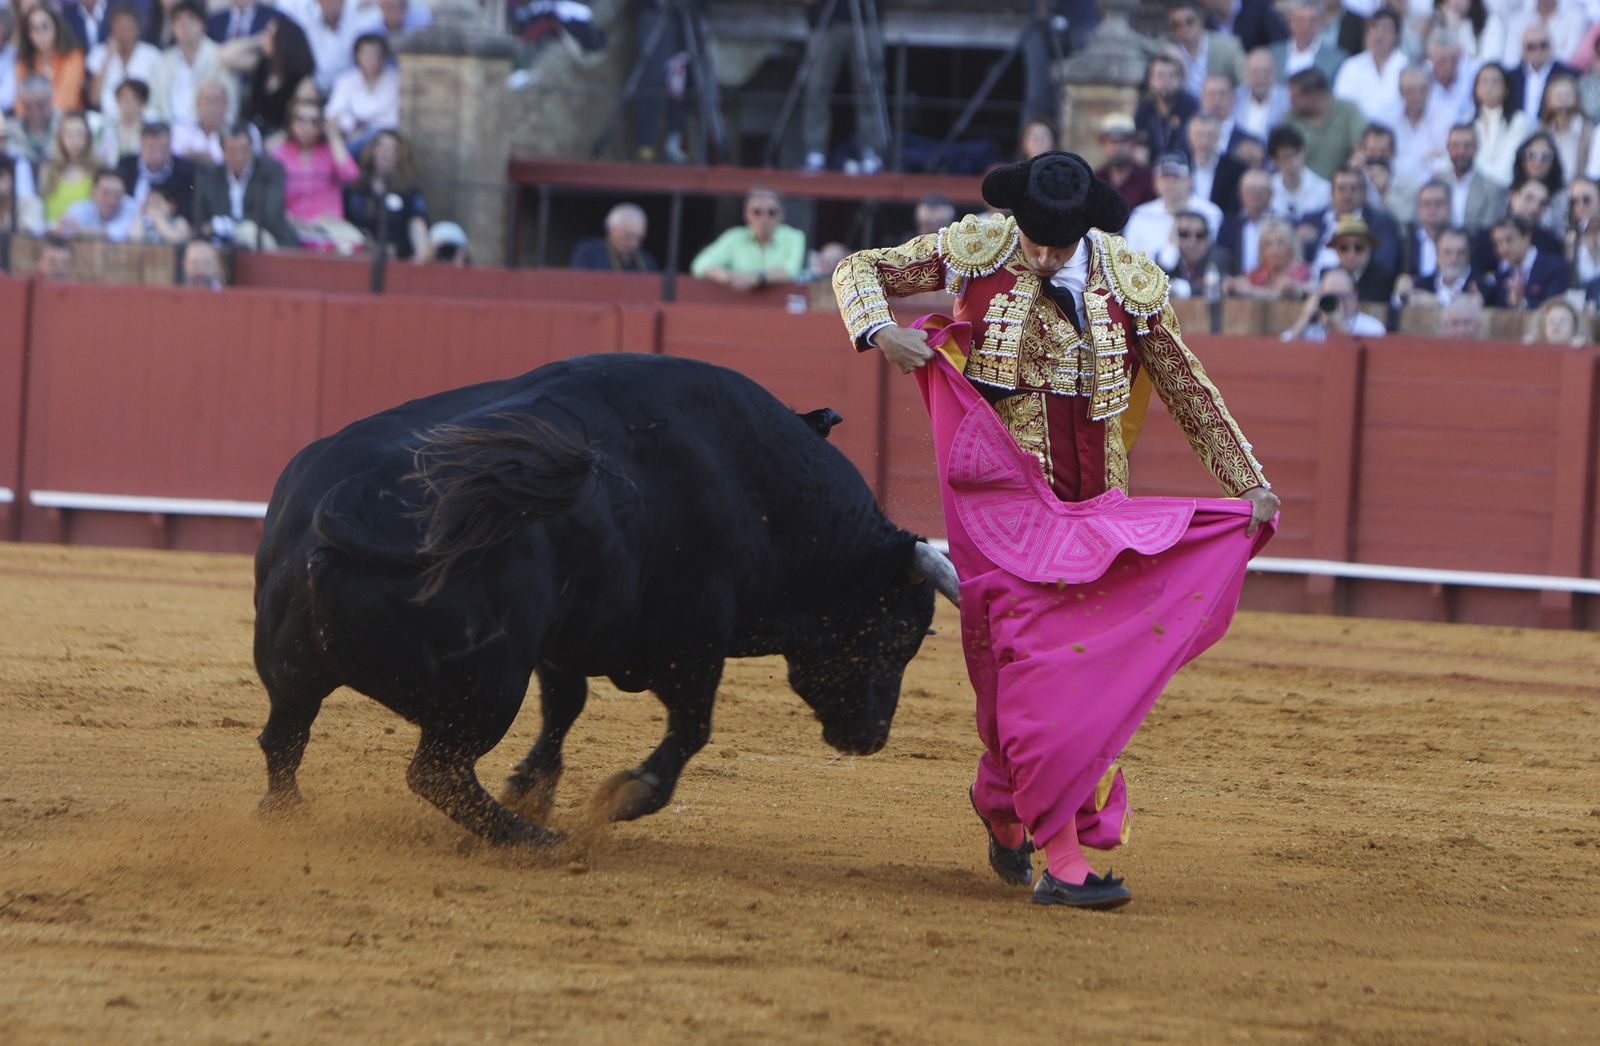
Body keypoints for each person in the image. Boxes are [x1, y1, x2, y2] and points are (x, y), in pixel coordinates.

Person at [830, 149, 1277, 910]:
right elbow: (858, 269)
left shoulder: (1129, 281)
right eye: (1029, 238)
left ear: (1083, 232)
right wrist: (879, 331)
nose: (1037, 255)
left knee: (1075, 677)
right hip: (1000, 511)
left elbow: (1184, 384)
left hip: (1098, 512)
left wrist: (1249, 482)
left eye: (1053, 246)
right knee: (1024, 671)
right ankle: (1055, 847)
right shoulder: (978, 247)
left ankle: (1012, 810)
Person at [801, 0, 886, 174]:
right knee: (817, 88)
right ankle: (815, 152)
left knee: (869, 89)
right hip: (827, 20)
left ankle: (871, 151)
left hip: (865, 19)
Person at [271, 99, 360, 251]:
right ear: (291, 122)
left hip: (328, 226)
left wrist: (334, 136)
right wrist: (288, 218)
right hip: (291, 226)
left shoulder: (330, 150)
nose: (307, 127)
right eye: (301, 120)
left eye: (314, 121)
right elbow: (271, 195)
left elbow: (350, 176)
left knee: (351, 244)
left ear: (321, 126)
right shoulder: (279, 153)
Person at [194, 121, 299, 248]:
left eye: (243, 150)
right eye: (232, 151)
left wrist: (228, 224)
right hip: (221, 245)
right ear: (223, 152)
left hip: (266, 239)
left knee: (248, 231)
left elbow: (270, 214)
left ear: (252, 148)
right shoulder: (210, 176)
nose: (239, 157)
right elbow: (201, 219)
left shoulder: (271, 171)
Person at [690, 187, 806, 289]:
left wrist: (754, 278)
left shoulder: (795, 237)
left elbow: (791, 271)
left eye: (771, 212)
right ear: (747, 214)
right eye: (757, 212)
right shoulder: (733, 237)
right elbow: (700, 264)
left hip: (780, 308)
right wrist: (729, 276)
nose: (764, 219)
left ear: (781, 215)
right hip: (738, 306)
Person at [341, 128, 430, 260]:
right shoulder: (354, 189)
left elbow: (419, 233)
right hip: (358, 261)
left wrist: (416, 263)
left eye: (394, 149)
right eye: (381, 145)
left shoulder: (410, 192)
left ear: (401, 156)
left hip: (398, 263)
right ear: (372, 151)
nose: (386, 152)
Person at [149, 0, 233, 128]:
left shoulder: (219, 58)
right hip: (168, 134)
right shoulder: (163, 62)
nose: (184, 25)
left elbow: (230, 107)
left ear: (203, 25)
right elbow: (153, 104)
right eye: (178, 20)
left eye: (190, 19)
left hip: (208, 133)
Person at [1123, 152, 1222, 260]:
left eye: (1176, 177)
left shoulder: (1211, 213)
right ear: (1156, 182)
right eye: (1165, 177)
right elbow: (1129, 260)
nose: (1170, 183)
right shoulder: (1140, 215)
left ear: (1190, 180)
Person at [1284, 66, 1368, 180]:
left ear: (1314, 96)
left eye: (1295, 97)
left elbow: (1362, 146)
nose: (1290, 102)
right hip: (1304, 190)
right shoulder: (1289, 119)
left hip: (1342, 186)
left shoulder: (1348, 110)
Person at [323, 32, 396, 153]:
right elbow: (333, 113)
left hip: (384, 137)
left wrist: (365, 128)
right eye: (366, 54)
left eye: (376, 54)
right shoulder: (346, 80)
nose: (372, 59)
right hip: (350, 136)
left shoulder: (395, 80)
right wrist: (351, 125)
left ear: (384, 55)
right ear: (357, 56)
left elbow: (393, 120)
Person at [1332, 8, 1408, 123]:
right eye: (1374, 28)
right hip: (1359, 135)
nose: (1379, 34)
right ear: (1367, 33)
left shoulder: (1406, 67)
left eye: (1386, 29)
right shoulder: (1351, 66)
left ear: (1396, 36)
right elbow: (1341, 106)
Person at [86, 3, 160, 116]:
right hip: (108, 118)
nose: (123, 32)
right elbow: (94, 99)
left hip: (145, 120)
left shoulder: (152, 55)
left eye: (128, 27)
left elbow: (157, 97)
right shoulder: (99, 54)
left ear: (138, 29)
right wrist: (108, 56)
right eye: (119, 27)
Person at [1480, 214, 1569, 308]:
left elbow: (1554, 306)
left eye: (1509, 240)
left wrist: (1523, 303)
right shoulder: (1502, 273)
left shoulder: (1555, 267)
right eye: (1498, 243)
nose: (1504, 248)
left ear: (1527, 236)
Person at [1167, 0, 1244, 103]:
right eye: (1177, 25)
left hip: (1222, 109)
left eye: (1189, 21)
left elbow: (1245, 83)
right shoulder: (1171, 53)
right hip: (1186, 113)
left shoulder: (1227, 47)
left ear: (1201, 21)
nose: (1184, 28)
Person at [1470, 62, 1534, 185]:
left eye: (1495, 82)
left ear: (1506, 89)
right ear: (1476, 89)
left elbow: (1507, 169)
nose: (1489, 87)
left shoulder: (1520, 122)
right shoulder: (1468, 123)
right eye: (1484, 81)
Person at [116, 119, 195, 217]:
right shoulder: (125, 166)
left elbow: (187, 211)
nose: (158, 154)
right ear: (141, 146)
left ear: (171, 146)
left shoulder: (185, 171)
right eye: (151, 147)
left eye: (163, 147)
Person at [1283, 265, 1387, 339]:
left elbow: (1357, 360)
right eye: (1329, 296)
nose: (1335, 301)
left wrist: (1340, 328)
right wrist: (1304, 318)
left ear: (1354, 296)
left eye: (1341, 296)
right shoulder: (1309, 327)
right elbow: (1281, 353)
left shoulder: (1371, 328)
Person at [17, 4, 86, 114]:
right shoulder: (24, 61)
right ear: (28, 34)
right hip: (32, 124)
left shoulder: (73, 56)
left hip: (66, 121)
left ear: (56, 27)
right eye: (34, 28)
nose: (40, 33)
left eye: (45, 26)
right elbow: (19, 104)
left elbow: (68, 99)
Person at [1440, 122, 1507, 232]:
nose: (1461, 152)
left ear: (1476, 148)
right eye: (1455, 146)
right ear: (1448, 148)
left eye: (1467, 146)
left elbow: (1487, 232)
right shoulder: (1437, 184)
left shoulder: (1492, 190)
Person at [1225, 214, 1313, 298]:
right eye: (1268, 244)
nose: (1274, 250)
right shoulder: (1260, 272)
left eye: (1280, 243)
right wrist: (1233, 284)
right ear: (1262, 250)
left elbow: (1282, 295)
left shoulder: (1300, 271)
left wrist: (1252, 291)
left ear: (1291, 247)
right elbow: (1242, 282)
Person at [1505, 22, 1576, 120]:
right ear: (1523, 49)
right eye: (1531, 46)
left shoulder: (1569, 74)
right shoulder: (1511, 77)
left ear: (1551, 46)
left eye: (1543, 45)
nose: (1537, 51)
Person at [1134, 53, 1196, 164]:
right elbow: (1141, 152)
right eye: (1160, 75)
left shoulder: (1191, 109)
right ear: (1150, 80)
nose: (1166, 81)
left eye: (1172, 76)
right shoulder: (1144, 110)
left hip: (1185, 169)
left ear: (1181, 80)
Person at [1400, 226, 1483, 307]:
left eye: (1461, 253)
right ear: (1437, 254)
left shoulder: (1483, 288)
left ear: (1468, 255)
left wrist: (1439, 302)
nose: (1454, 259)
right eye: (1447, 252)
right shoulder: (1422, 285)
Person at [39, 111, 98, 224]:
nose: (74, 141)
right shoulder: (49, 169)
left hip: (83, 236)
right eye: (68, 134)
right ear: (60, 137)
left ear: (88, 137)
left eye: (79, 134)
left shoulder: (96, 171)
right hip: (50, 236)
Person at [1269, 0, 1346, 84]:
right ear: (1290, 22)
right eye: (1300, 20)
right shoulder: (1272, 54)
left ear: (1321, 22)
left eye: (1312, 21)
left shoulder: (1336, 58)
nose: (1306, 26)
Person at [1160, 208, 1229, 298]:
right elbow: (1157, 288)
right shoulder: (1167, 258)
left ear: (1208, 239)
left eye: (1200, 235)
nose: (1192, 242)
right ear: (1175, 237)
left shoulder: (1219, 257)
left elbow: (1216, 288)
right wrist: (1172, 246)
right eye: (1184, 234)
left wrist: (1182, 288)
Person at [58, 165, 140, 240]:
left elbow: (122, 233)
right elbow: (61, 227)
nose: (111, 200)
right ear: (93, 192)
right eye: (105, 193)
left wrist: (81, 231)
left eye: (117, 194)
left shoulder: (132, 207)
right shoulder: (83, 208)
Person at [1267, 124, 1330, 221]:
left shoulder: (1323, 189)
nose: (1293, 163)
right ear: (1275, 161)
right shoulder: (1268, 188)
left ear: (1304, 152)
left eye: (1296, 155)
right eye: (1286, 157)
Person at [1216, 167, 1273, 276]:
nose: (1255, 195)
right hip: (1235, 288)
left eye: (1261, 191)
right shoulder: (1228, 225)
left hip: (1272, 289)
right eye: (1250, 190)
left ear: (1271, 194)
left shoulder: (1282, 225)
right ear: (1240, 193)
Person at [1093, 112, 1154, 209]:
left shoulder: (1149, 180)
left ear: (1134, 144)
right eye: (1112, 142)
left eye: (1123, 141)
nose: (1117, 147)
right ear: (1103, 145)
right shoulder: (1095, 180)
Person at [570, 201, 654, 271]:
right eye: (627, 237)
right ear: (610, 230)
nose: (633, 243)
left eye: (639, 238)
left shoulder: (647, 261)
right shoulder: (588, 253)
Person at [98, 76, 148, 164]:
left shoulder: (149, 131)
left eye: (133, 98)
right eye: (123, 97)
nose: (127, 102)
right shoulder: (105, 129)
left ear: (142, 102)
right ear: (117, 100)